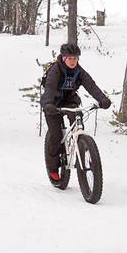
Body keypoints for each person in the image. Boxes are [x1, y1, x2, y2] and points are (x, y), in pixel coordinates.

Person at [41, 43, 112, 183]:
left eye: (75, 58)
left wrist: (102, 99)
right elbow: (49, 88)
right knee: (55, 135)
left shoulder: (79, 71)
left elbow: (91, 85)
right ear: (63, 58)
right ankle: (53, 168)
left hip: (69, 101)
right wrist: (48, 104)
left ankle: (82, 150)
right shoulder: (56, 70)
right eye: (70, 58)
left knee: (78, 123)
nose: (73, 61)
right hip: (52, 104)